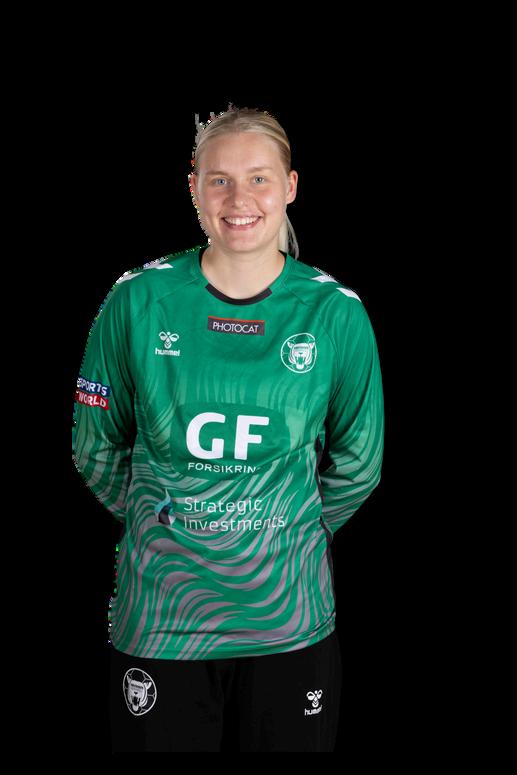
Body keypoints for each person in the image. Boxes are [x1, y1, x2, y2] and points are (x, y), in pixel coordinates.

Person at [72, 103, 385, 752]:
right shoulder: (137, 300)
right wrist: (166, 522)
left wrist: (285, 528)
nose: (239, 199)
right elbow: (94, 447)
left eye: (258, 178)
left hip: (287, 622)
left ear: (290, 186)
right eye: (219, 179)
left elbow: (359, 461)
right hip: (162, 621)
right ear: (193, 188)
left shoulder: (335, 312)